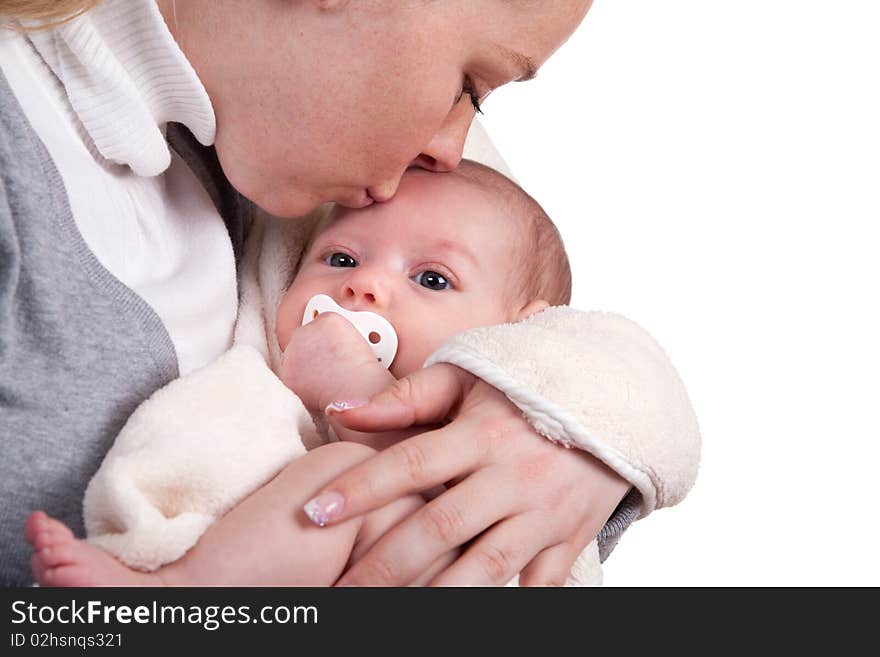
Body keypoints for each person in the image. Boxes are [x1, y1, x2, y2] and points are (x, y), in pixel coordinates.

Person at [0, 0, 701, 587]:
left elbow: (576, 338)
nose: (452, 149)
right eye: (469, 84)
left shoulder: (298, 133)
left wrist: (575, 430)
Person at [26, 161, 611, 586]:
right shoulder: (258, 390)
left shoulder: (514, 418)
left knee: (351, 475)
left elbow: (456, 500)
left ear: (516, 334)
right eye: (341, 259)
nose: (364, 285)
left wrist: (357, 392)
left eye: (432, 278)